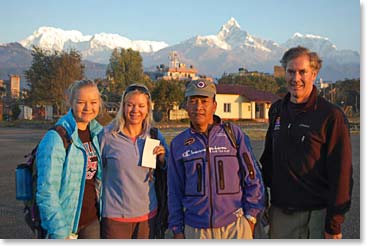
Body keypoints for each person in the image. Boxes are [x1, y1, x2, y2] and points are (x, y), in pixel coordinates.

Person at [260, 46, 353, 239]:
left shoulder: (330, 116)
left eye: (302, 72)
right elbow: (269, 158)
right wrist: (263, 200)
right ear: (283, 72)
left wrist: (334, 223)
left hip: (317, 215)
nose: (296, 78)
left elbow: (341, 172)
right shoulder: (277, 110)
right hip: (281, 213)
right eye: (291, 71)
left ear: (314, 73)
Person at [168, 79, 265, 239]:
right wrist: (177, 229)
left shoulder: (233, 135)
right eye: (192, 101)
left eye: (204, 101)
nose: (198, 107)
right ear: (186, 106)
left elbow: (253, 177)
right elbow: (174, 191)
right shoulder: (179, 144)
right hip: (196, 230)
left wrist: (251, 217)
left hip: (235, 226)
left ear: (214, 105)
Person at [99, 83, 169, 239]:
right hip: (115, 218)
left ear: (148, 108)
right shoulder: (107, 136)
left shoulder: (155, 136)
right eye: (130, 105)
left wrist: (163, 160)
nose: (135, 110)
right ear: (123, 107)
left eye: (141, 106)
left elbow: (169, 171)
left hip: (148, 217)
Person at [36, 80, 104, 239]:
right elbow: (47, 191)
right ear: (71, 102)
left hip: (92, 221)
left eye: (93, 102)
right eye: (81, 102)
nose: (88, 108)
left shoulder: (98, 134)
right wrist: (59, 231)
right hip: (65, 226)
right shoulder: (57, 137)